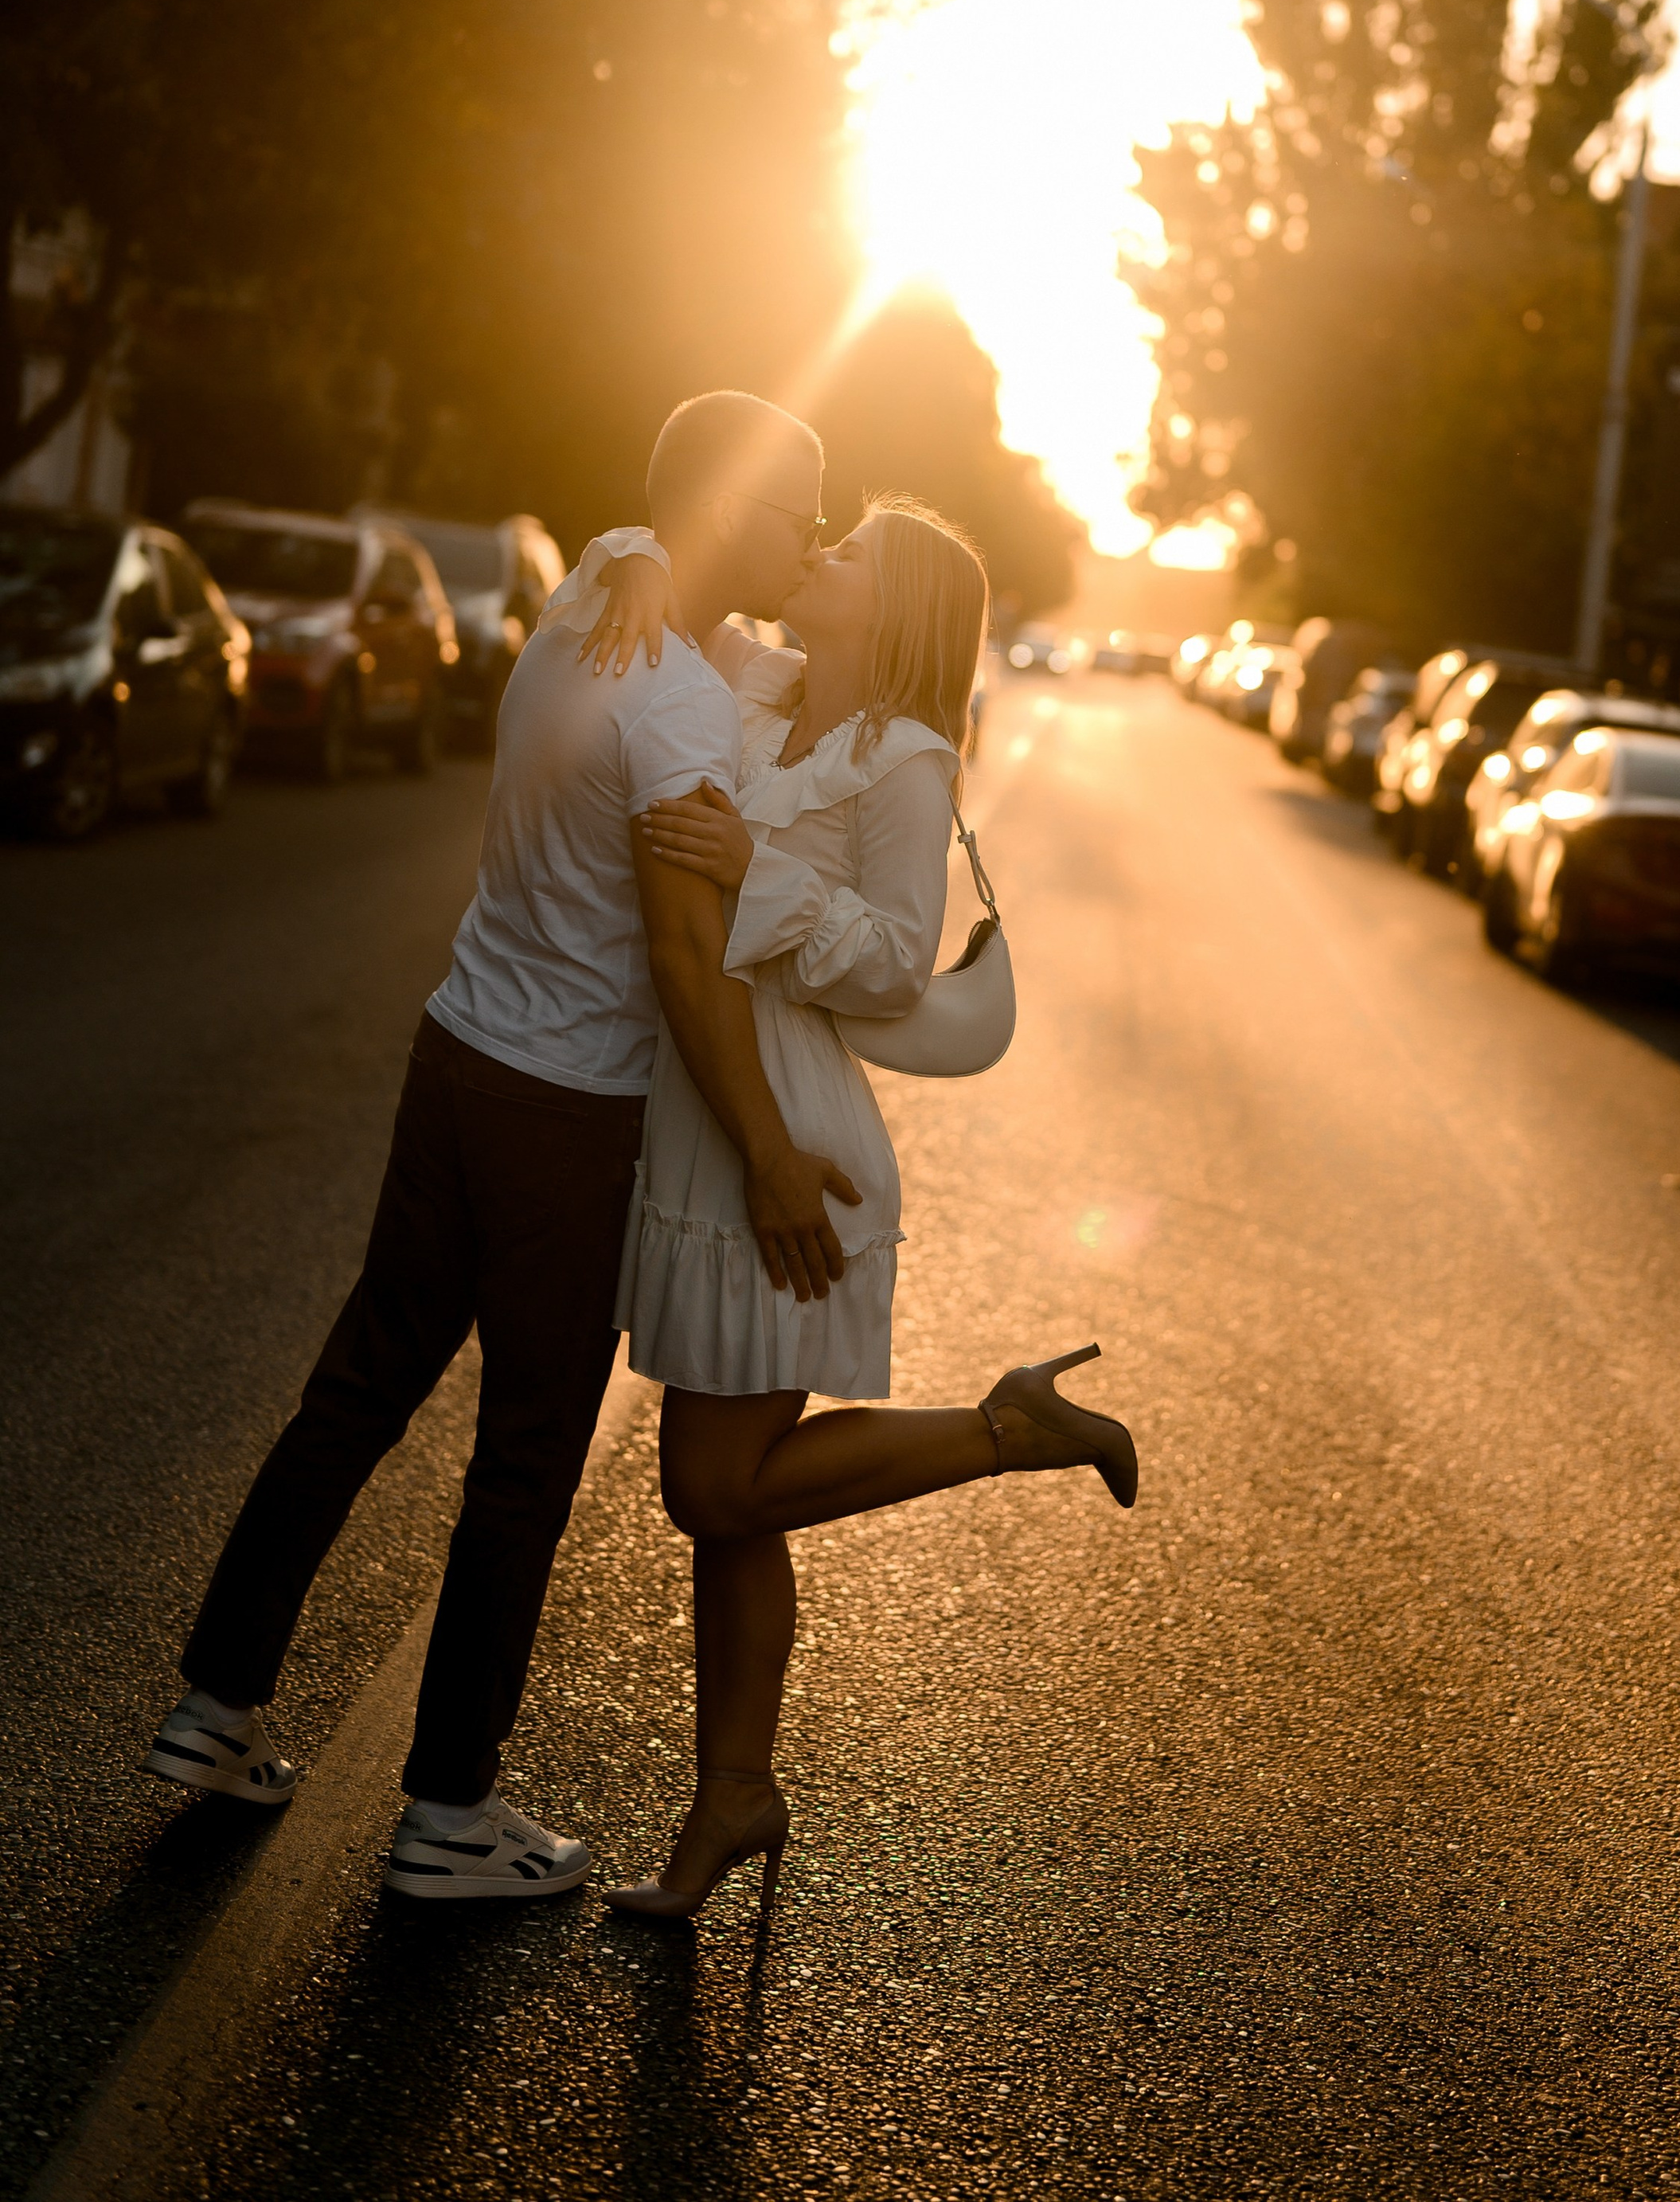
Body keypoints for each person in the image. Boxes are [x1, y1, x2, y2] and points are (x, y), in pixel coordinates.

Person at [147, 392, 865, 1902]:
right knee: (527, 1458)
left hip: (459, 1057)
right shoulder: (674, 698)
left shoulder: (586, 604)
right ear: (724, 508)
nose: (814, 537)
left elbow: (633, 542)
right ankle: (448, 1816)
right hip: (564, 1113)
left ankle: (213, 1711)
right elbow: (685, 956)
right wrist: (770, 1151)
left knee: (357, 1391)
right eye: (799, 511)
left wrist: (648, 559)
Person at [578, 496, 1137, 1924]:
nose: (816, 552)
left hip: (792, 1142)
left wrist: (750, 872)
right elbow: (671, 558)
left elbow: (892, 964)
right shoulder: (758, 687)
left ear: (892, 611)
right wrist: (635, 559)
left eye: (850, 555)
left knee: (710, 1487)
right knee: (731, 1509)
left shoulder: (908, 760)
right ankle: (731, 1797)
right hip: (705, 1126)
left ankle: (1008, 1430)